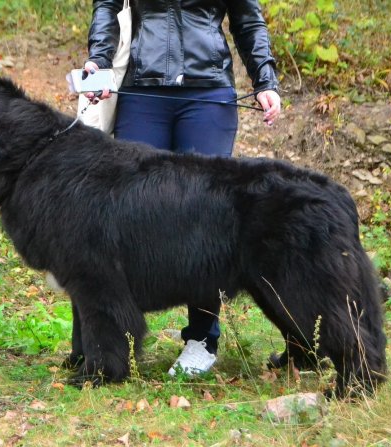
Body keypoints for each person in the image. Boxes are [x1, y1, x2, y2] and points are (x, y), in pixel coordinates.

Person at [84, 0, 281, 376]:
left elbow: (247, 19)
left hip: (208, 94)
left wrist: (265, 81)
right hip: (143, 92)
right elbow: (107, 7)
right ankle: (117, 337)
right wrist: (100, 60)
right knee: (131, 213)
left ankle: (202, 339)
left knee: (204, 217)